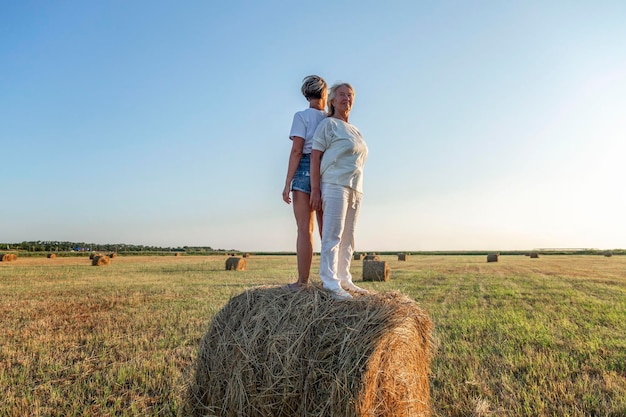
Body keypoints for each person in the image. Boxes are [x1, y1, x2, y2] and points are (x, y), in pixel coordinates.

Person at [310, 82, 369, 300]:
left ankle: (345, 279)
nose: (347, 98)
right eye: (342, 95)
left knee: (349, 237)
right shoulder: (329, 125)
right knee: (332, 235)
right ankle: (330, 281)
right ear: (332, 100)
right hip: (334, 184)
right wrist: (315, 190)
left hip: (356, 188)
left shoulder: (355, 130)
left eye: (350, 95)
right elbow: (315, 156)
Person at [282, 75, 328, 290]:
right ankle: (331, 281)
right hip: (327, 169)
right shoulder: (330, 117)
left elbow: (297, 150)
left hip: (304, 169)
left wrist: (287, 182)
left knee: (304, 229)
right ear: (325, 93)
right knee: (326, 229)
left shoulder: (301, 117)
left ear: (305, 94)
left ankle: (302, 282)